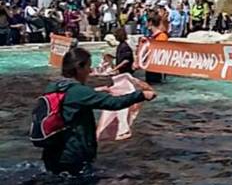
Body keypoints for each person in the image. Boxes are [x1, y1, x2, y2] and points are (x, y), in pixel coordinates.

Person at [41, 47, 157, 175]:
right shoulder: (79, 92)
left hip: (52, 153)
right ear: (79, 67)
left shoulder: (53, 86)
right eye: (88, 67)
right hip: (74, 156)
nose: (90, 71)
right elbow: (114, 103)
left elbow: (70, 101)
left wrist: (94, 92)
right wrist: (141, 95)